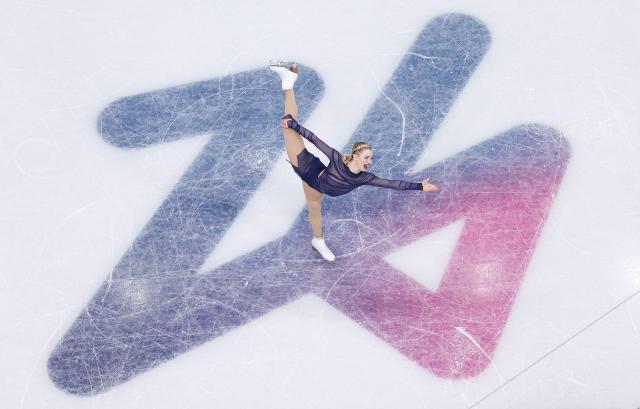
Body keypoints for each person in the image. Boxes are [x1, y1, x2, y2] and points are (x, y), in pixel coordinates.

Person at [269, 60, 438, 262]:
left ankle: (318, 241)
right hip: (305, 165)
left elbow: (393, 184)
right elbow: (314, 139)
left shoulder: (365, 178)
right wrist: (294, 126)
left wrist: (419, 186)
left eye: (371, 158)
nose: (370, 161)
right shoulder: (336, 159)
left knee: (314, 207)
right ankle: (288, 82)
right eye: (367, 157)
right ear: (356, 155)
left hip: (316, 183)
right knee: (288, 123)